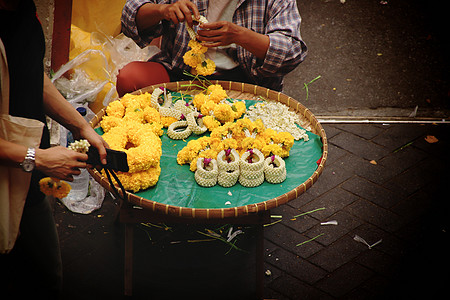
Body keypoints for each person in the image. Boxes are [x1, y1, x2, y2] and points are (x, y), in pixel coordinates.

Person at [0, 0, 108, 298]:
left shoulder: (22, 9)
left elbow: (32, 75)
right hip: (18, 165)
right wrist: (36, 158)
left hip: (28, 170)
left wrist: (81, 126)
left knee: (44, 274)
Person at [117, 0, 307, 96]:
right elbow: (129, 16)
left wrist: (240, 36)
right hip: (180, 71)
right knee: (130, 78)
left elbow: (291, 51)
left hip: (246, 80)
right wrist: (163, 10)